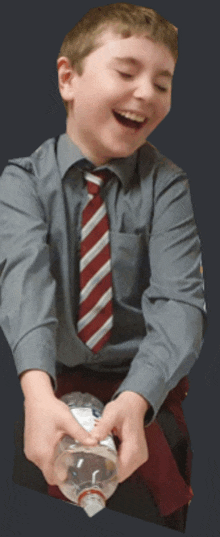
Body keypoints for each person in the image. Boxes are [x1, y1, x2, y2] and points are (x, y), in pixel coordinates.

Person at [0, 3, 205, 532]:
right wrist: (38, 396)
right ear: (68, 78)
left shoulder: (168, 185)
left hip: (142, 405)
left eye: (164, 82)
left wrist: (137, 399)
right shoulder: (21, 183)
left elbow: (181, 305)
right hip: (51, 401)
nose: (147, 93)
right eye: (127, 71)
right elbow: (25, 284)